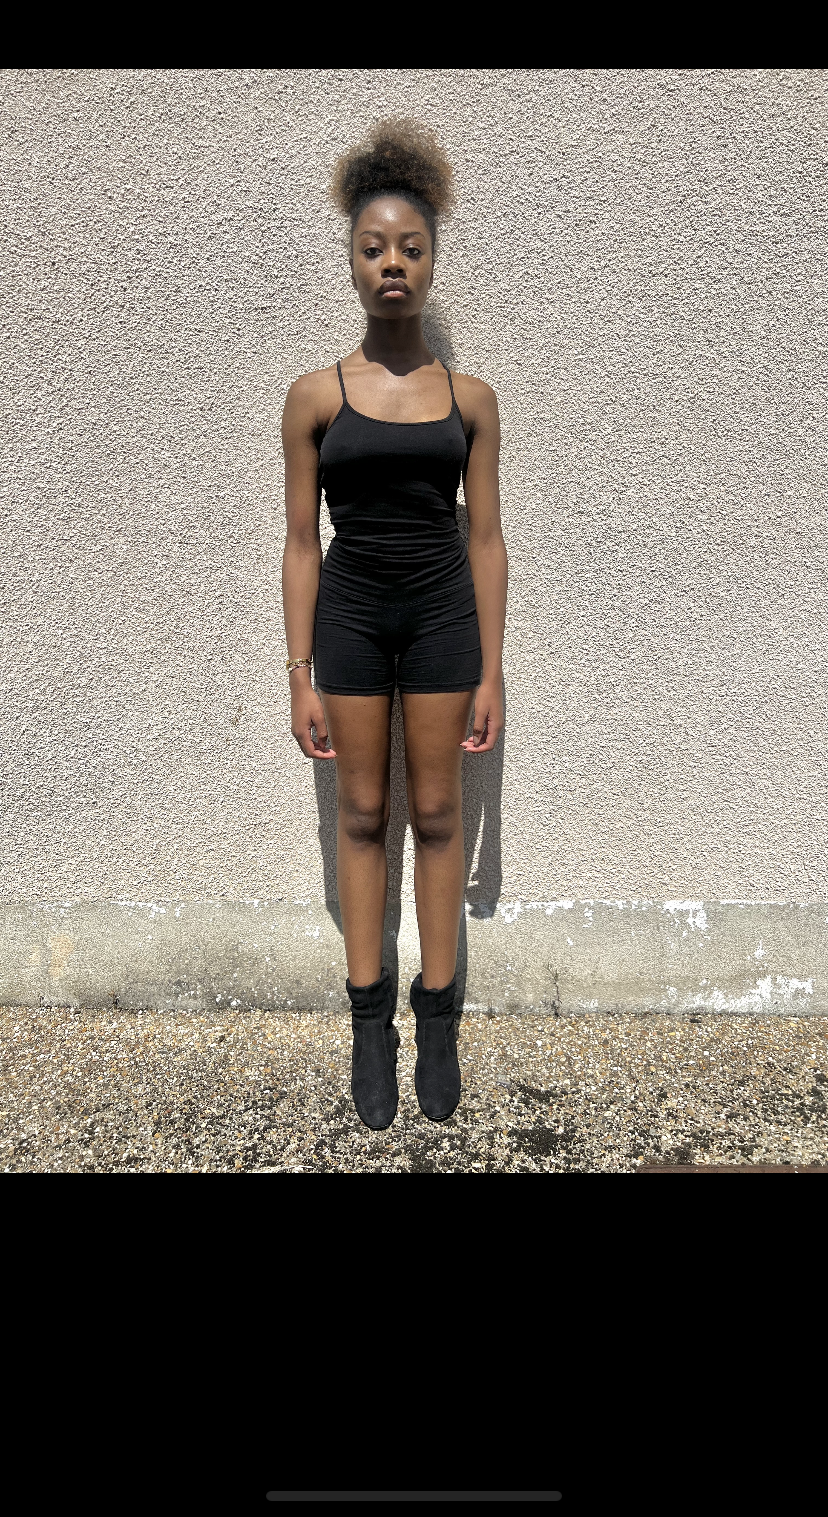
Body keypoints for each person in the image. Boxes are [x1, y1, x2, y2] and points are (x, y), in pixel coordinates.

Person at [281, 119, 507, 1131]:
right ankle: (369, 1020)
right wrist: (298, 673)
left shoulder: (472, 399)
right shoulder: (315, 398)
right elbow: (301, 544)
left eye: (410, 248)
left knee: (441, 814)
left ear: (432, 258)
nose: (392, 264)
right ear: (352, 260)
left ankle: (439, 1019)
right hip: (354, 620)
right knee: (364, 814)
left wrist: (492, 669)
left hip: (445, 618)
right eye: (373, 248)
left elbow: (486, 539)